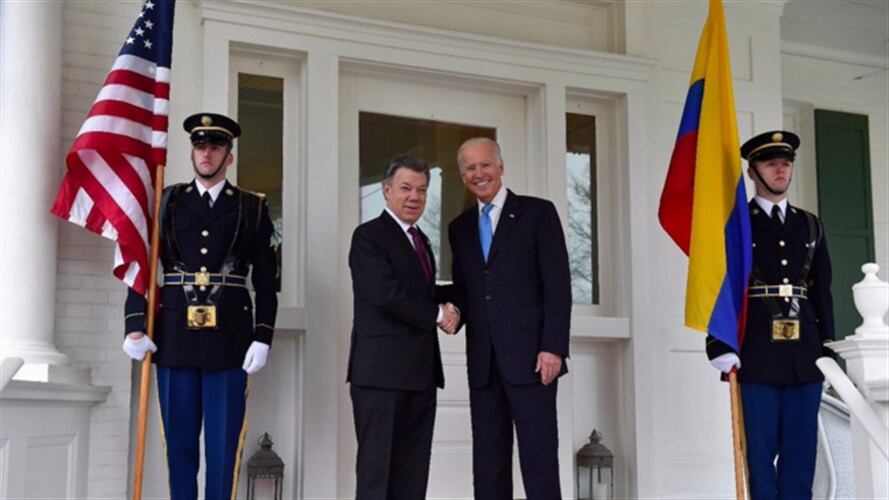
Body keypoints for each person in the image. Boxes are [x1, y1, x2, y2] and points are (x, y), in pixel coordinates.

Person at [121, 112, 278, 500]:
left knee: (224, 451)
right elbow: (142, 264)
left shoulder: (252, 207)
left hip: (230, 342)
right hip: (174, 337)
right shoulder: (166, 201)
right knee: (180, 449)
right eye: (200, 146)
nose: (206, 153)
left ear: (230, 156)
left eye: (215, 146)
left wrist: (263, 335)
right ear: (192, 152)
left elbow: (268, 281)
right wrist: (135, 321)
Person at [706, 130, 835, 500]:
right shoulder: (736, 224)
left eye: (786, 163)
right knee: (759, 457)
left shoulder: (810, 225)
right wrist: (718, 343)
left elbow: (821, 291)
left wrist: (828, 353)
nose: (780, 171)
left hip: (805, 354)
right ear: (752, 171)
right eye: (770, 163)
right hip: (755, 350)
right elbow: (719, 285)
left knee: (801, 456)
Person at [448, 137, 571, 500]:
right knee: (488, 463)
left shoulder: (538, 213)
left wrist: (553, 347)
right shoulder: (460, 227)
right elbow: (465, 288)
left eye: (485, 164)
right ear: (462, 176)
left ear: (500, 166)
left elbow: (558, 286)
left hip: (533, 360)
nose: (478, 173)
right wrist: (448, 311)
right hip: (484, 363)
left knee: (539, 460)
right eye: (469, 168)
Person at [347, 154, 459, 500]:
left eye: (422, 190)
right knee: (376, 477)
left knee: (412, 477)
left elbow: (420, 293)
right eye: (406, 188)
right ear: (386, 190)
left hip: (420, 375)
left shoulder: (421, 240)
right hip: (380, 377)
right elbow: (386, 295)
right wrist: (440, 315)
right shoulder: (369, 237)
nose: (415, 197)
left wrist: (465, 299)